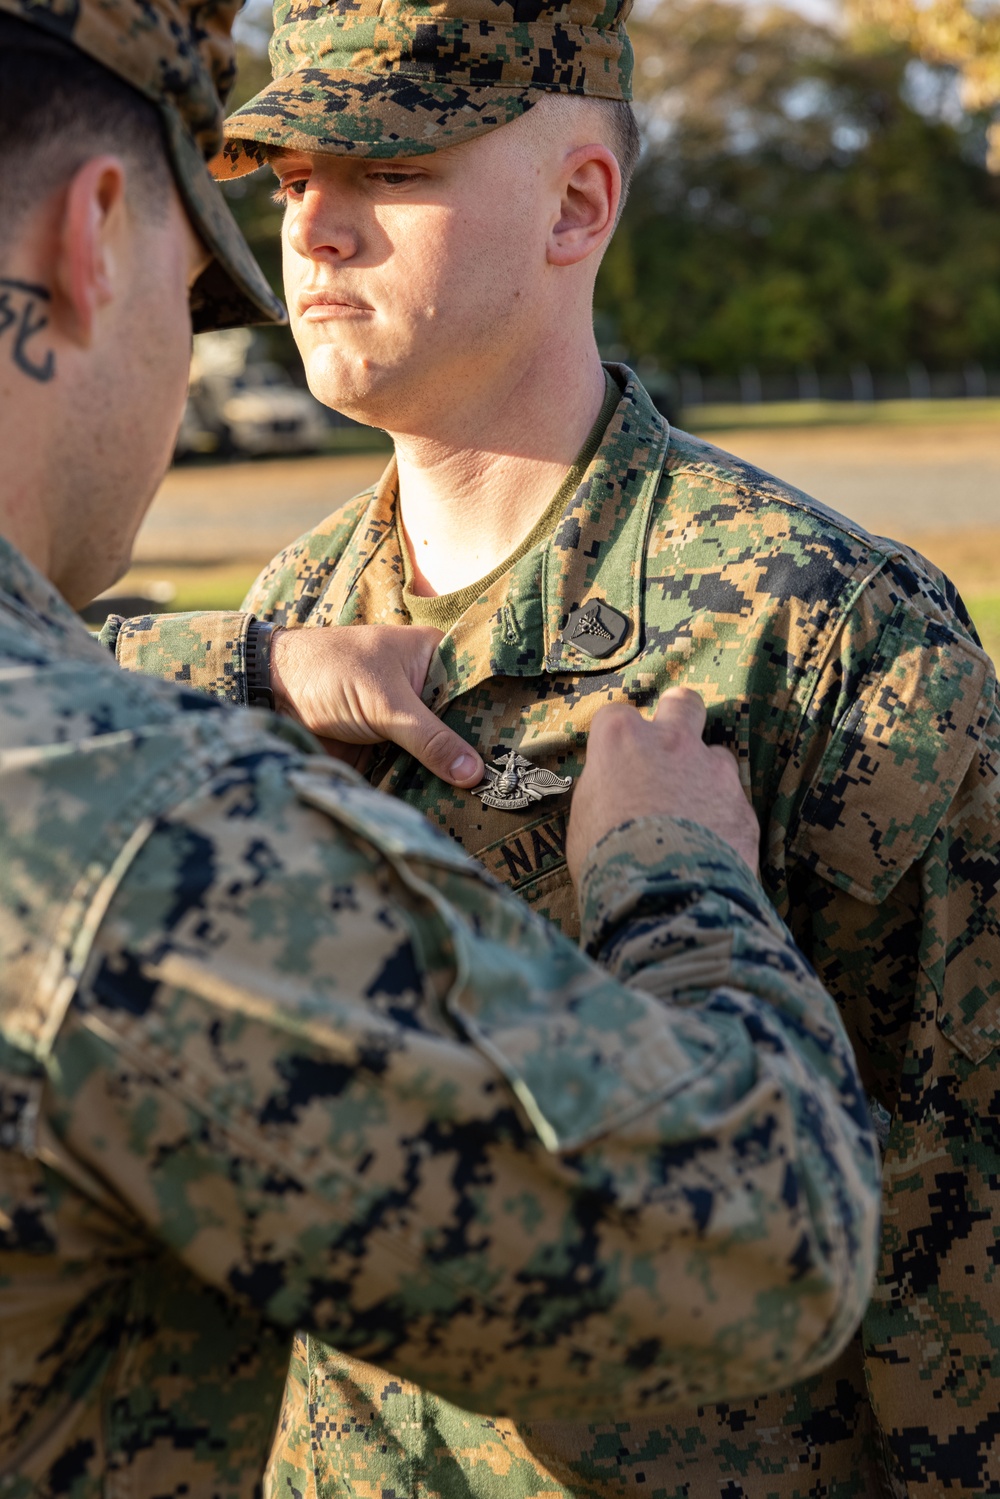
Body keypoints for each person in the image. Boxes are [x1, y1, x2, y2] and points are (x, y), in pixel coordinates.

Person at [100, 0, 1000, 1492]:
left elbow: (955, 1209)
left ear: (579, 201)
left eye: (387, 171)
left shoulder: (827, 630)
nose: (311, 231)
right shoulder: (289, 616)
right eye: (290, 174)